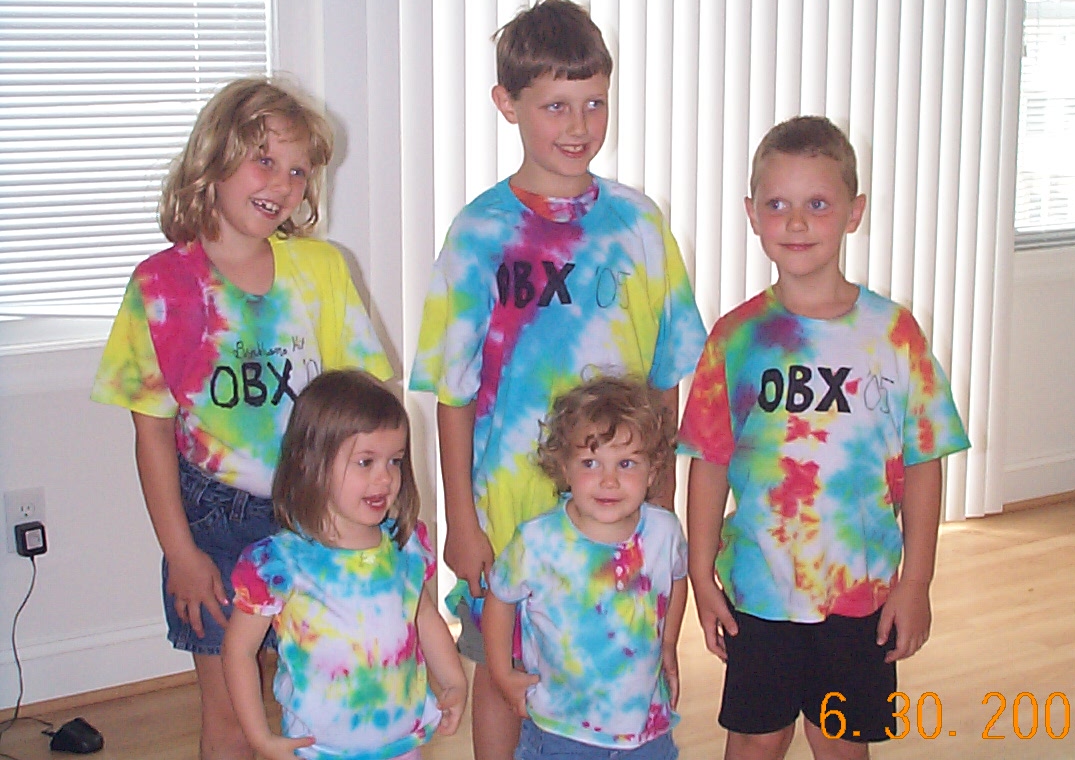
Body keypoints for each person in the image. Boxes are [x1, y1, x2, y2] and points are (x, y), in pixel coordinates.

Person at [409, 0, 706, 759]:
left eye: (594, 103)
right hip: (511, 508)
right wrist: (461, 522)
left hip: (619, 499)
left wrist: (661, 488)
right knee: (501, 668)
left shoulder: (639, 225)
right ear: (507, 103)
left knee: (608, 658)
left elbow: (665, 371)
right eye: (555, 106)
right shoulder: (480, 233)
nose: (578, 125)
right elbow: (453, 390)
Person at [91, 77, 393, 760]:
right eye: (265, 161)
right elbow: (152, 435)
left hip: (318, 514)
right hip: (216, 524)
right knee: (231, 716)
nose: (283, 184)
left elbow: (362, 409)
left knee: (325, 700)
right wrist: (181, 554)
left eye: (298, 171)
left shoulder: (321, 269)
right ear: (214, 159)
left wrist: (376, 508)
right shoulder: (161, 286)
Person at [679, 116, 971, 760]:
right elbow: (709, 461)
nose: (796, 223)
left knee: (840, 740)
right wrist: (701, 573)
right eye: (777, 205)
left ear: (853, 212)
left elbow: (925, 461)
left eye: (817, 204)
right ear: (752, 215)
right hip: (760, 589)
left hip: (860, 593)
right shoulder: (736, 337)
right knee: (756, 737)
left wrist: (916, 582)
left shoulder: (894, 335)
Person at [222, 370, 467, 760]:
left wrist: (454, 680)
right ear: (309, 463)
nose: (385, 478)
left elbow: (422, 616)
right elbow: (238, 651)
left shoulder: (404, 547)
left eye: (395, 461)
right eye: (365, 462)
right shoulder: (280, 563)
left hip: (401, 743)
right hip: (319, 750)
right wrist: (259, 737)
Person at [482, 376, 687, 760]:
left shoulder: (664, 531)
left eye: (626, 463)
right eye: (591, 463)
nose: (609, 480)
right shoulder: (538, 541)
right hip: (561, 731)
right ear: (565, 466)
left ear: (652, 470)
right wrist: (501, 672)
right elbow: (500, 597)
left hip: (647, 730)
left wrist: (670, 643)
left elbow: (677, 579)